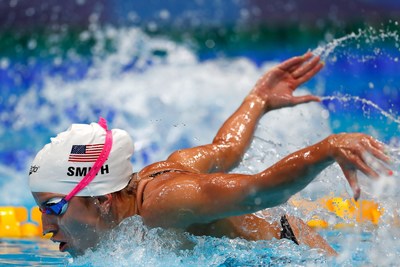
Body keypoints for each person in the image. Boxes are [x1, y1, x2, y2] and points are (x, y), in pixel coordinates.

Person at [28, 52, 391, 258]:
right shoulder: (153, 180)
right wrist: (257, 101)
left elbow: (259, 191)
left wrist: (326, 149)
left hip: (292, 257)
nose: (44, 226)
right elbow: (225, 149)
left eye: (54, 207)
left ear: (103, 199)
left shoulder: (165, 201)